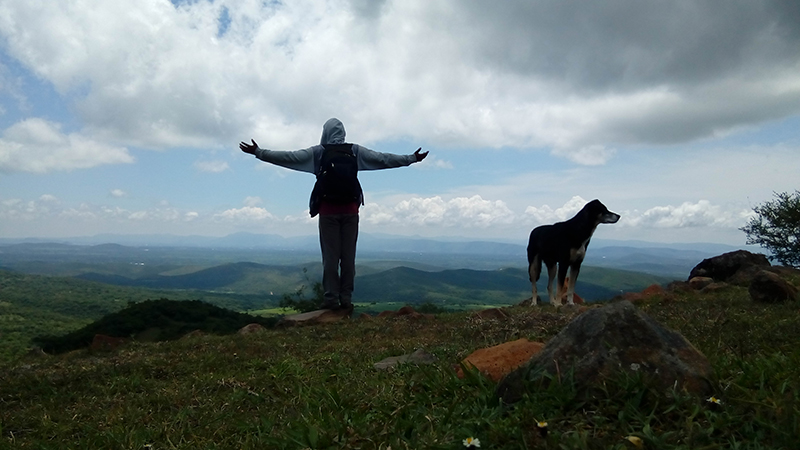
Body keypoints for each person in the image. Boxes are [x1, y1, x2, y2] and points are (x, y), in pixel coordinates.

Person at [239, 118, 428, 312]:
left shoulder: (319, 153)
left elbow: (289, 157)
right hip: (351, 212)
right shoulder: (354, 151)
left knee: (330, 258)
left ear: (325, 133)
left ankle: (330, 299)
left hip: (328, 212)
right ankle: (346, 298)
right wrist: (411, 158)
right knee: (348, 258)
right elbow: (383, 159)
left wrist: (259, 152)